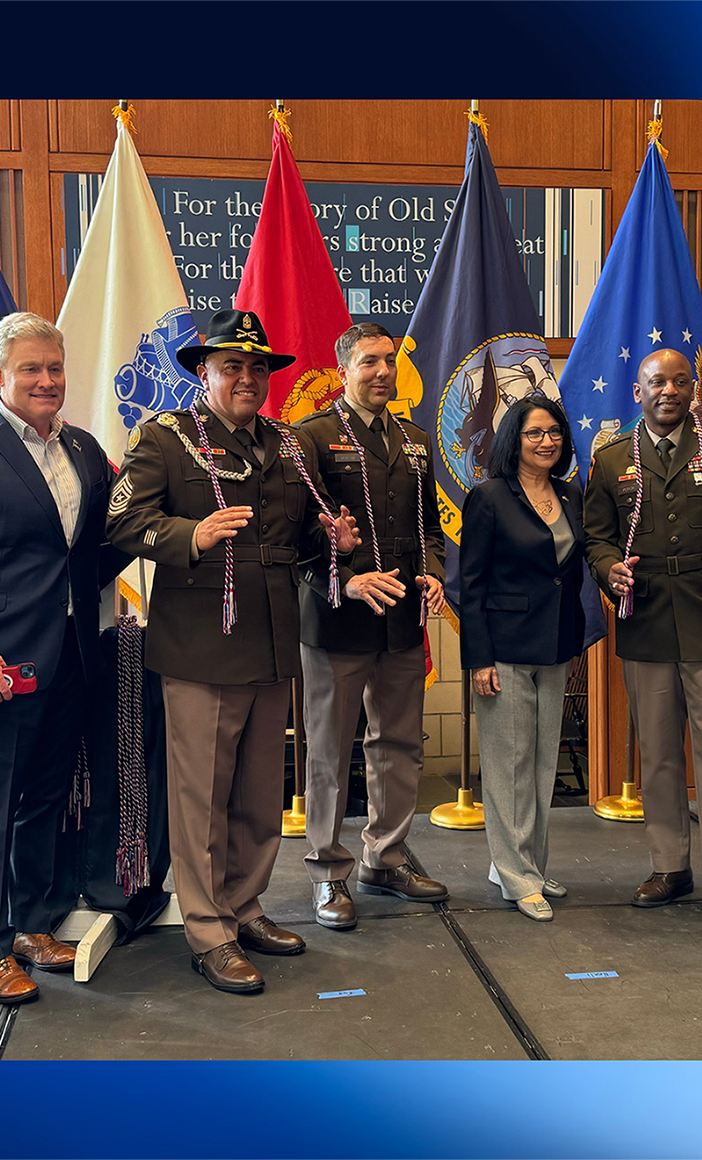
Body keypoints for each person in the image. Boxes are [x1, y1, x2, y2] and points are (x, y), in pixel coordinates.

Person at [106, 308, 359, 993]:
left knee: (257, 793)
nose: (246, 378)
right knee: (201, 797)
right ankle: (208, 929)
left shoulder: (289, 443)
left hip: (275, 638)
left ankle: (246, 907)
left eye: (256, 367)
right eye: (231, 366)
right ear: (203, 372)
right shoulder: (165, 438)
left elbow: (301, 540)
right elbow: (123, 521)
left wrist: (332, 542)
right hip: (201, 646)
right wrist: (193, 533)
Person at [0, 311, 130, 1003]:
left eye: (55, 368)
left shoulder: (85, 449)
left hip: (69, 655)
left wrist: (178, 526)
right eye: (31, 368)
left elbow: (92, 553)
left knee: (42, 798)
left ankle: (31, 925)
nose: (46, 380)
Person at [585, 348, 702, 935]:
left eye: (679, 382)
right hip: (644, 623)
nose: (668, 391)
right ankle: (670, 867)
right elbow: (596, 536)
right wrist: (609, 568)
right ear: (636, 391)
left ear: (693, 389)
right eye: (655, 382)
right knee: (660, 756)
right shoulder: (612, 456)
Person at [296, 323, 449, 930]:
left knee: (399, 746)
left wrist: (434, 572)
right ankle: (328, 876)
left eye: (388, 361)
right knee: (330, 753)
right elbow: (298, 534)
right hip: (337, 620)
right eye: (368, 362)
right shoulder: (311, 437)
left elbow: (428, 530)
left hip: (403, 621)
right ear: (343, 370)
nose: (382, 371)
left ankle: (383, 859)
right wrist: (347, 579)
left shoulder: (413, 440)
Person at [460, 396, 590, 922]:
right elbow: (470, 584)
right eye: (535, 432)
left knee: (540, 762)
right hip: (505, 647)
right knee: (508, 764)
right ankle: (517, 877)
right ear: (515, 438)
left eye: (555, 432)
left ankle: (525, 863)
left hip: (557, 642)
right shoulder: (489, 496)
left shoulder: (569, 494)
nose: (547, 441)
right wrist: (479, 659)